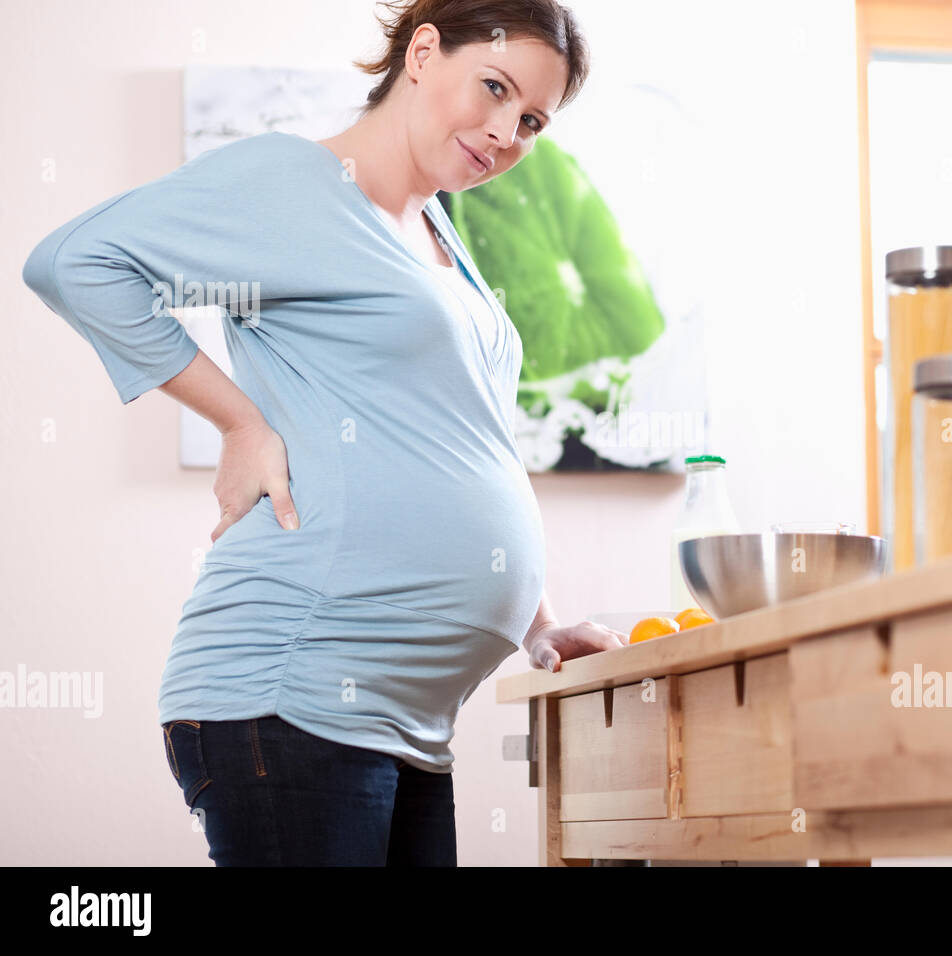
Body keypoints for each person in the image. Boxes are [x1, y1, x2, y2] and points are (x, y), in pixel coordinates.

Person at [21, 0, 626, 866]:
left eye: (531, 120)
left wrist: (538, 621)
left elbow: (462, 436)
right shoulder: (295, 183)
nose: (504, 133)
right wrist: (240, 421)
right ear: (423, 53)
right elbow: (75, 262)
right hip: (292, 691)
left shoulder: (440, 231)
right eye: (494, 89)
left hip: (407, 725)